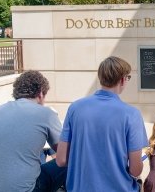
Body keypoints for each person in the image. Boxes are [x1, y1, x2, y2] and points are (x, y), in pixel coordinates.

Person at [56, 56, 148, 192]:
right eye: (128, 78)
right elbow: (135, 170)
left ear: (101, 78)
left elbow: (61, 160)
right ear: (122, 80)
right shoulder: (131, 114)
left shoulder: (75, 108)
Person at [0, 71, 66, 192]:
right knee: (74, 159)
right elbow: (64, 154)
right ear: (40, 94)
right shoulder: (46, 113)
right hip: (21, 189)